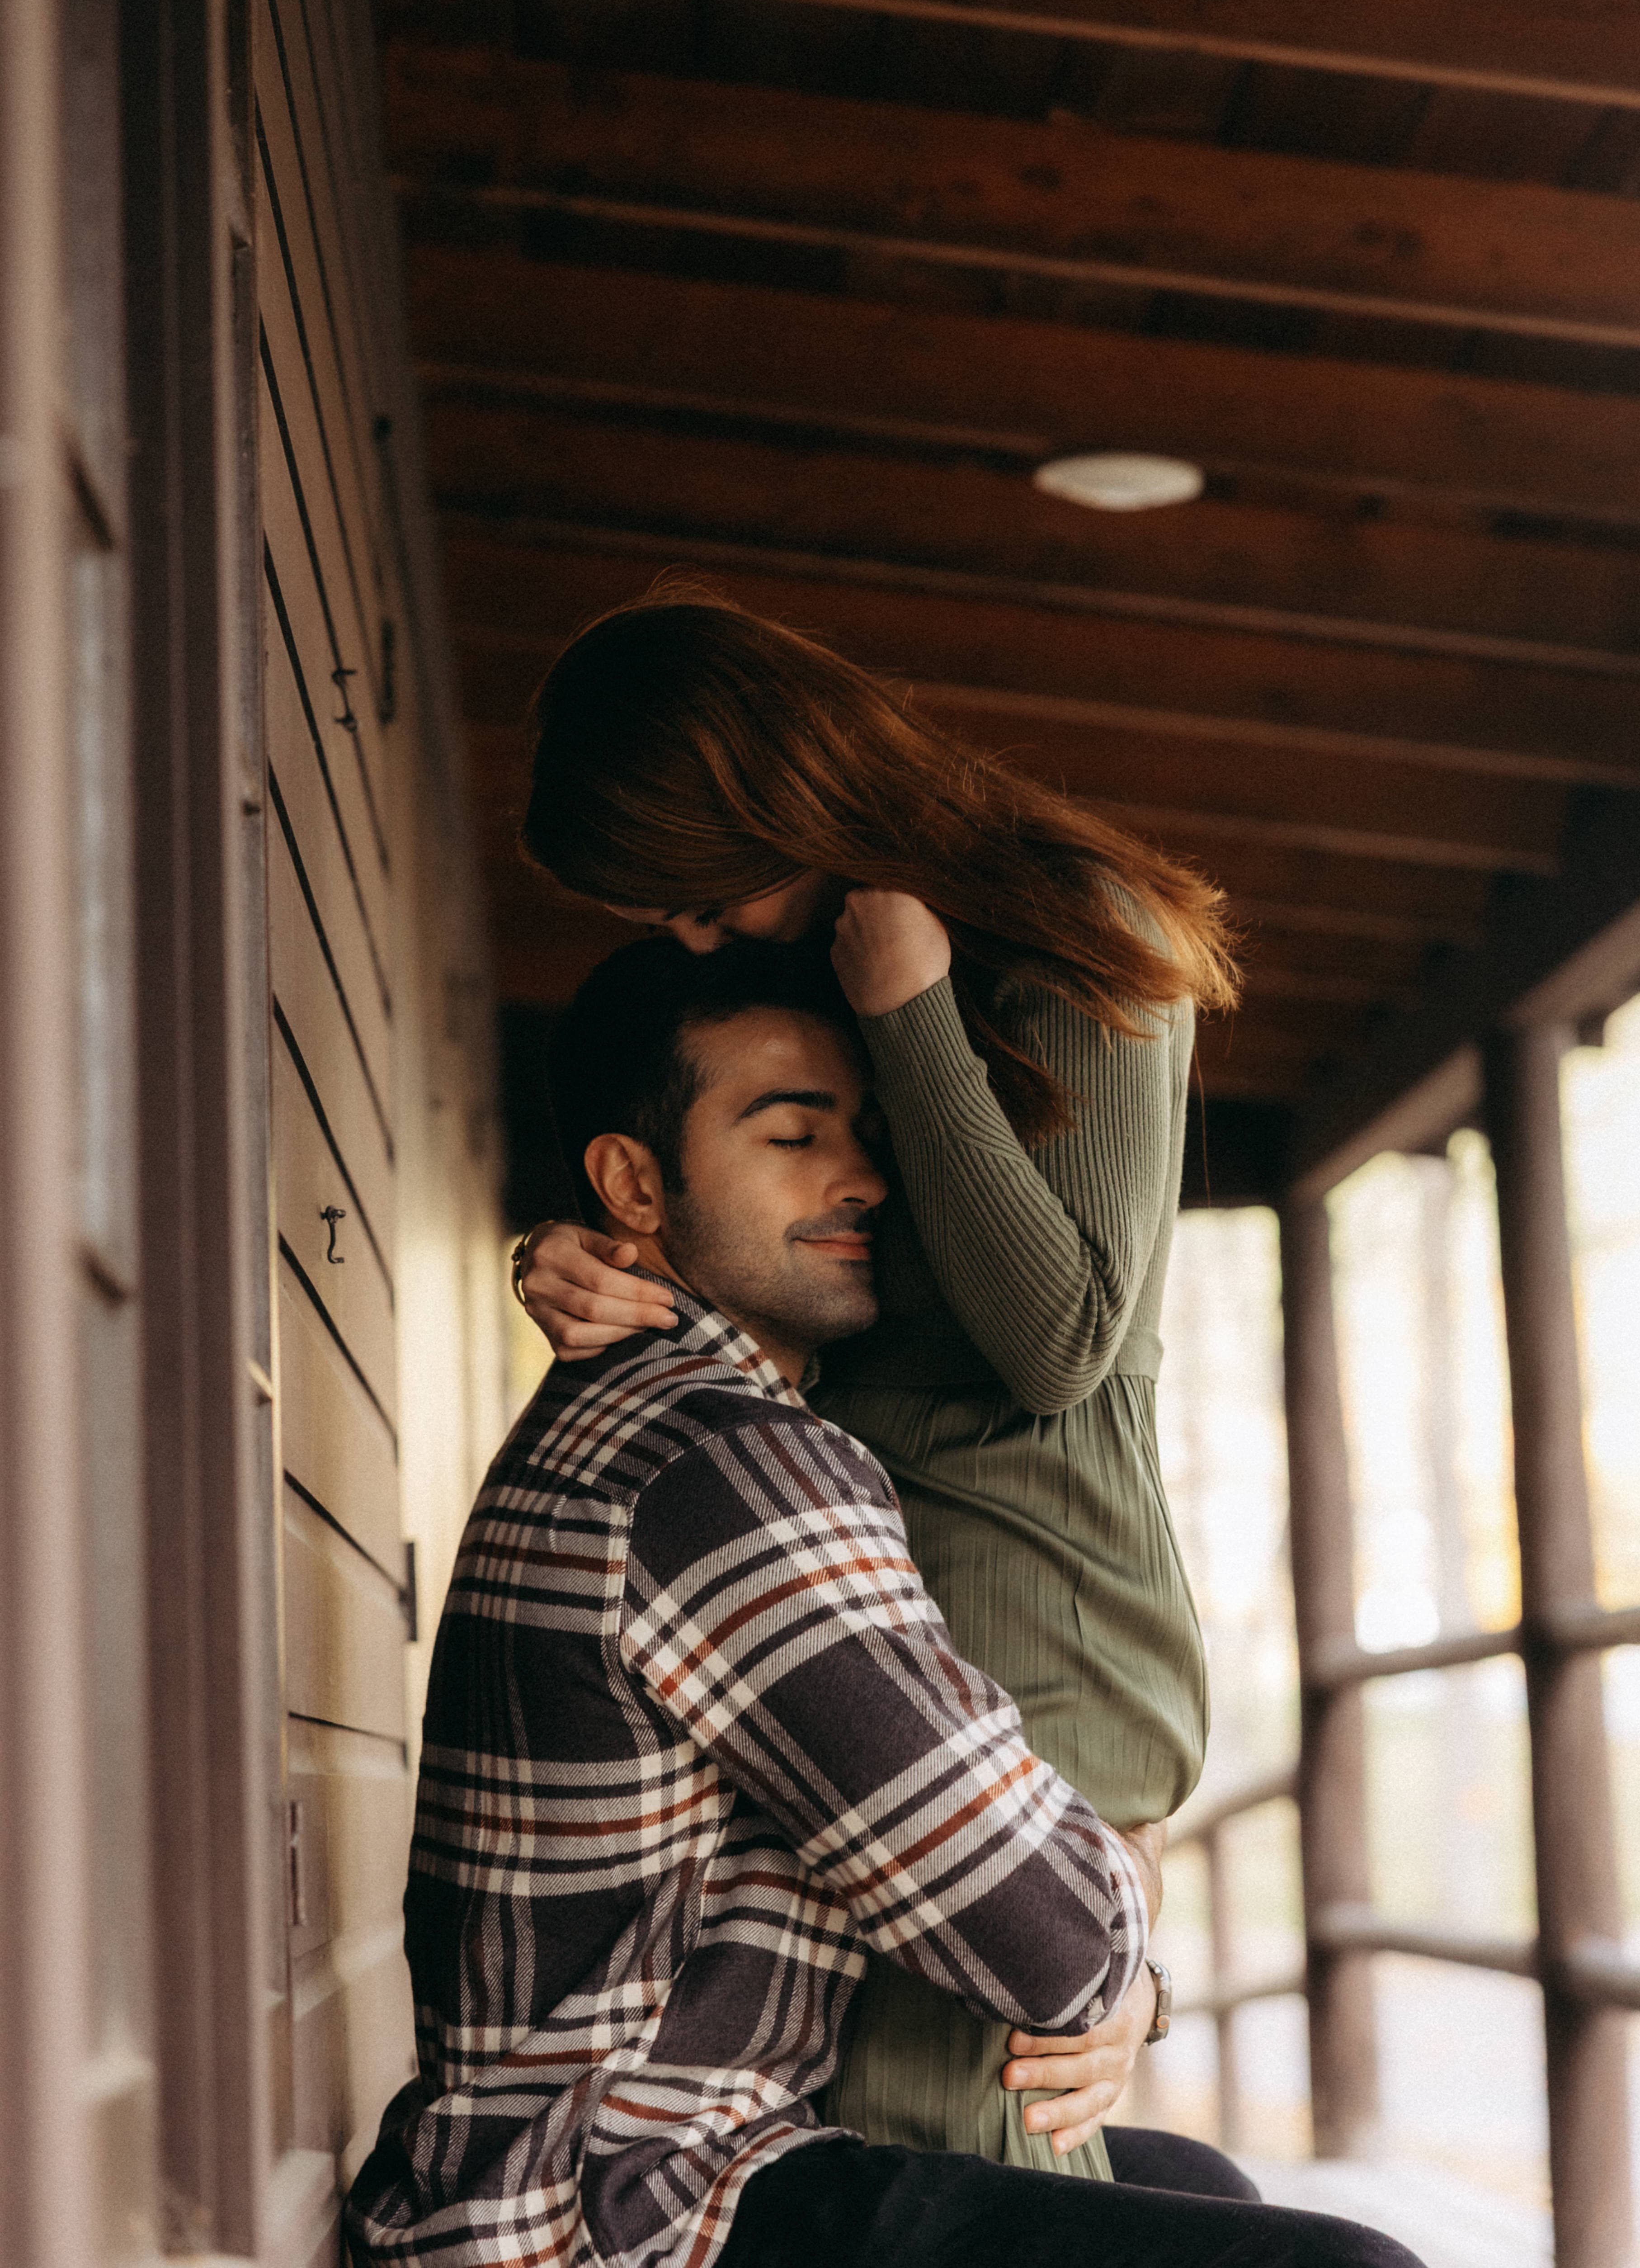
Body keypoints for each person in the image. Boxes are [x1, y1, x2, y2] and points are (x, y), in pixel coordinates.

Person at [348, 940, 1421, 2268]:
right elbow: (1049, 1939)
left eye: (868, 1132)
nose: (862, 1180)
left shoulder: (639, 1415)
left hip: (609, 2160)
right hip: (609, 2218)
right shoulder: (724, 1466)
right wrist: (1131, 1882)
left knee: (1196, 2183)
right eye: (792, 1135)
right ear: (633, 1183)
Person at [515, 585, 1233, 2173]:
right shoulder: (818, 973)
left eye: (697, 894)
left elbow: (1062, 1341)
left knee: (968, 2155)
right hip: (874, 1609)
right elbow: (769, 1249)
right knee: (993, 2158)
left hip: (1025, 1608)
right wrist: (590, 1254)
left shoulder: (1075, 931)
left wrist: (914, 1011)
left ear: (772, 796)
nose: (692, 938)